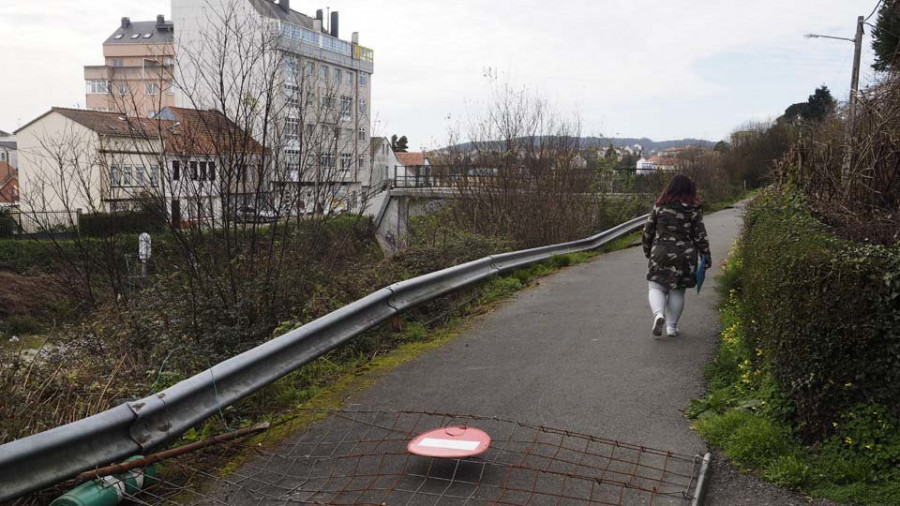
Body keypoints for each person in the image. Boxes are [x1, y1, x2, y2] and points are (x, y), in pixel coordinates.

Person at [641, 174, 711, 337]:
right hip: (685, 256)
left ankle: (658, 314)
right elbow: (701, 235)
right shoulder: (693, 209)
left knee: (656, 286)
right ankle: (672, 327)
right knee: (677, 290)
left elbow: (647, 231)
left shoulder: (659, 207)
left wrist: (648, 251)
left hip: (661, 252)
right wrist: (706, 257)